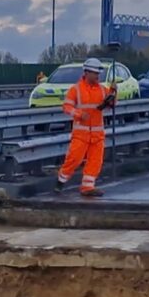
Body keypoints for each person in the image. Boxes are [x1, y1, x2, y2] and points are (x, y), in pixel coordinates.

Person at [57, 59, 113, 196]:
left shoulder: (102, 89)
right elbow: (66, 107)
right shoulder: (75, 89)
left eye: (98, 73)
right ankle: (60, 181)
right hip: (81, 134)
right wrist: (78, 114)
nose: (97, 76)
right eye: (95, 73)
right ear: (86, 72)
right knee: (74, 159)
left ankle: (88, 187)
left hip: (97, 134)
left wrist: (113, 93)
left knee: (95, 161)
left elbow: (112, 104)